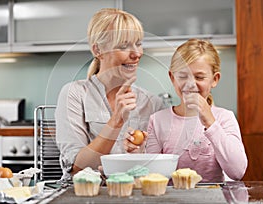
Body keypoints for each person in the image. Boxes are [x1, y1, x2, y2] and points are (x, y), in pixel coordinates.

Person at [55, 8, 165, 181]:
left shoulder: (153, 103)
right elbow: (77, 167)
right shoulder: (75, 94)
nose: (136, 53)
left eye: (138, 43)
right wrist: (116, 121)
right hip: (84, 195)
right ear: (98, 50)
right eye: (124, 46)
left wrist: (141, 155)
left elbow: (158, 170)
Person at [125, 39, 248, 182]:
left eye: (199, 77)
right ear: (172, 78)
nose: (190, 84)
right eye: (182, 76)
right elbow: (154, 177)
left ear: (214, 79)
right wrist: (141, 154)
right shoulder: (158, 120)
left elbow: (237, 172)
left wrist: (210, 122)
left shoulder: (224, 118)